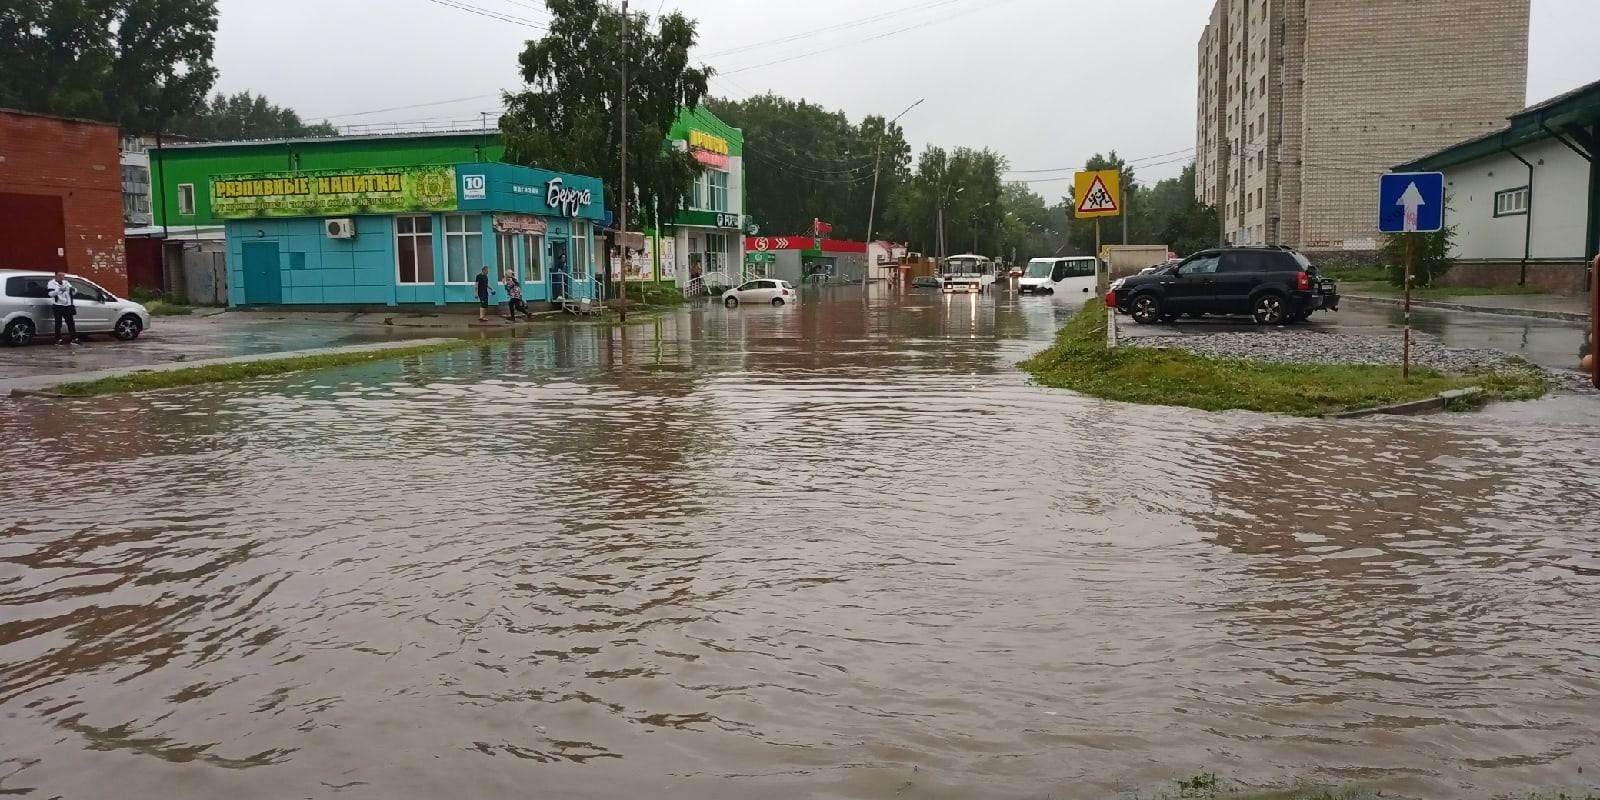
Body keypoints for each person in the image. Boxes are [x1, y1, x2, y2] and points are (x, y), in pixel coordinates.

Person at [45, 270, 78, 345]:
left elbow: (73, 291)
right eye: (60, 275)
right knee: (58, 323)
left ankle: (74, 338)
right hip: (58, 305)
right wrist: (59, 290)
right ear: (56, 275)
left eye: (63, 275)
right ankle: (58, 339)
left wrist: (74, 290)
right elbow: (50, 294)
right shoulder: (51, 283)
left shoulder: (66, 282)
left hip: (67, 305)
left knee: (71, 323)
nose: (61, 277)